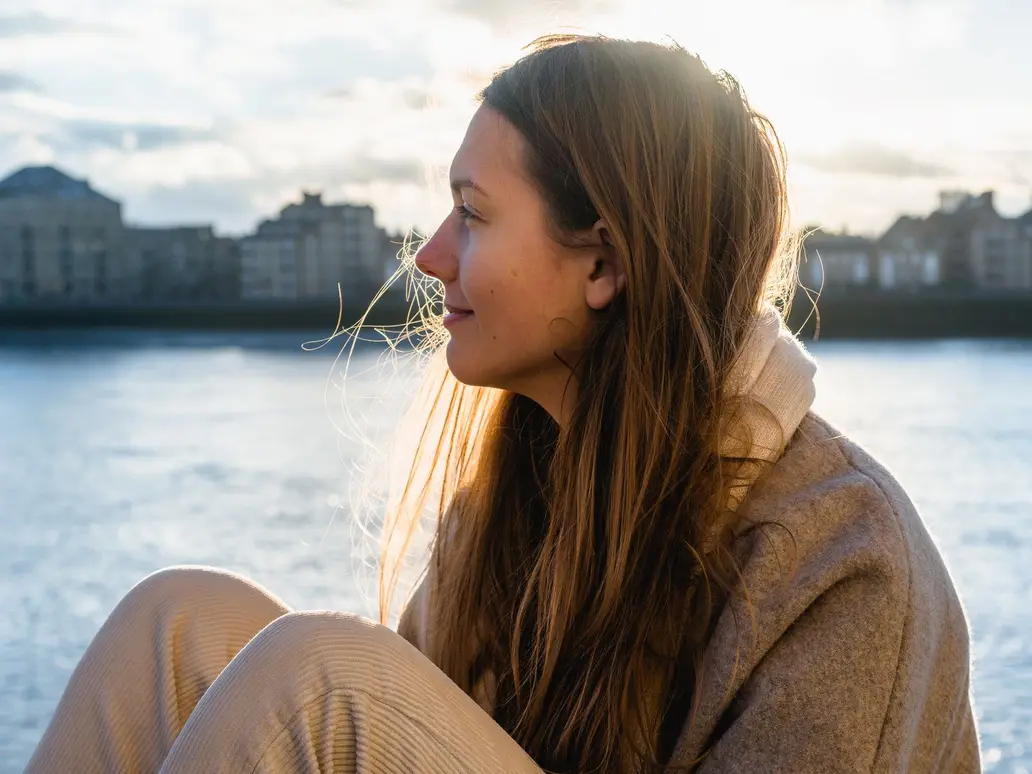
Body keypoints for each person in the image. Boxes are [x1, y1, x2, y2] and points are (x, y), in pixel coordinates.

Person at [25, 34, 980, 774]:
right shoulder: (523, 489)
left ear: (603, 262)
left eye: (473, 214)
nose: (431, 255)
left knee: (317, 680)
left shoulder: (847, 558)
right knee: (176, 624)